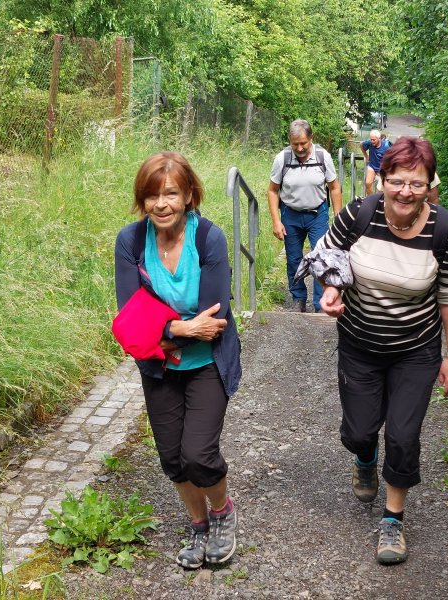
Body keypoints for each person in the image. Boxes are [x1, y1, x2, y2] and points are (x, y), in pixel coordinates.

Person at [314, 137, 448, 565]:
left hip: (415, 350)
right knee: (360, 431)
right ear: (382, 180)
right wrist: (331, 288)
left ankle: (393, 519)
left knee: (403, 435)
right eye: (397, 182)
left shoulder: (444, 229)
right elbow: (327, 254)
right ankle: (365, 457)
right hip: (360, 344)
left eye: (416, 184)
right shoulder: (359, 214)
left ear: (429, 184)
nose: (405, 192)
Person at [114, 151, 242, 570]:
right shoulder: (131, 242)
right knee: (172, 458)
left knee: (198, 454)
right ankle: (198, 524)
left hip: (207, 364)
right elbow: (129, 316)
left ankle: (222, 512)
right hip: (159, 367)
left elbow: (213, 316)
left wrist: (163, 329)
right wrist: (179, 330)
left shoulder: (209, 239)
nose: (161, 204)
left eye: (170, 193)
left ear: (188, 194)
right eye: (152, 196)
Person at [268, 119, 343, 312]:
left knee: (321, 258)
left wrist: (338, 216)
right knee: (293, 258)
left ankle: (320, 302)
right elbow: (272, 191)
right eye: (295, 144)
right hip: (290, 215)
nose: (300, 148)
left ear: (311, 138)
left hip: (317, 214)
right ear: (289, 142)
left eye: (303, 143)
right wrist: (276, 221)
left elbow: (334, 187)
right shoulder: (282, 159)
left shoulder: (322, 156)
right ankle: (298, 299)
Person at [361, 129, 392, 195]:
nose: (372, 141)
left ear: (379, 139)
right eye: (371, 139)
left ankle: (379, 202)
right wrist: (366, 156)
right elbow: (361, 145)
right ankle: (371, 200)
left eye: (374, 140)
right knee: (368, 183)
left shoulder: (386, 146)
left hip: (382, 169)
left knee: (379, 189)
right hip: (372, 166)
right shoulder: (369, 143)